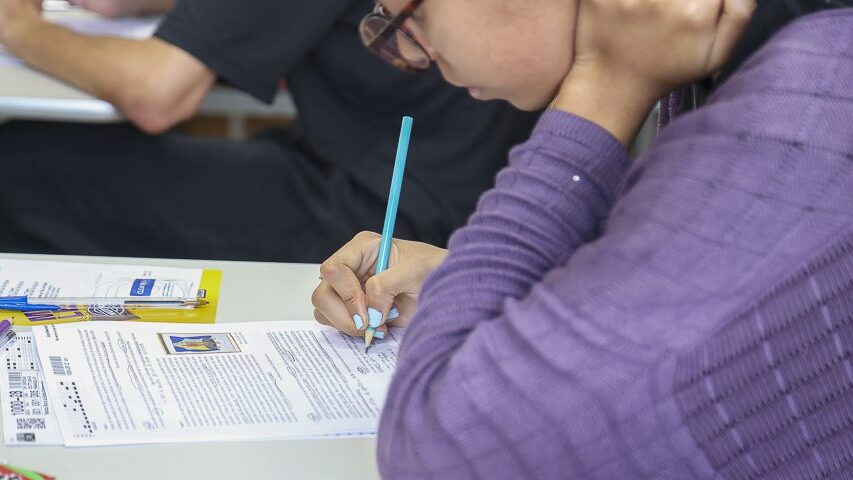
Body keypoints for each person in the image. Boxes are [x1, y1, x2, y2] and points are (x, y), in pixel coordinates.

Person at [312, 0, 853, 477]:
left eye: (415, 14)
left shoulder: (808, 108)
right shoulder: (785, 62)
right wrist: (464, 281)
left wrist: (605, 86)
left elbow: (440, 453)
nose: (416, 54)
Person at [0, 0, 538, 262]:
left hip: (390, 217)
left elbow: (156, 92)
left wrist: (19, 28)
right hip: (455, 189)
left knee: (21, 167)